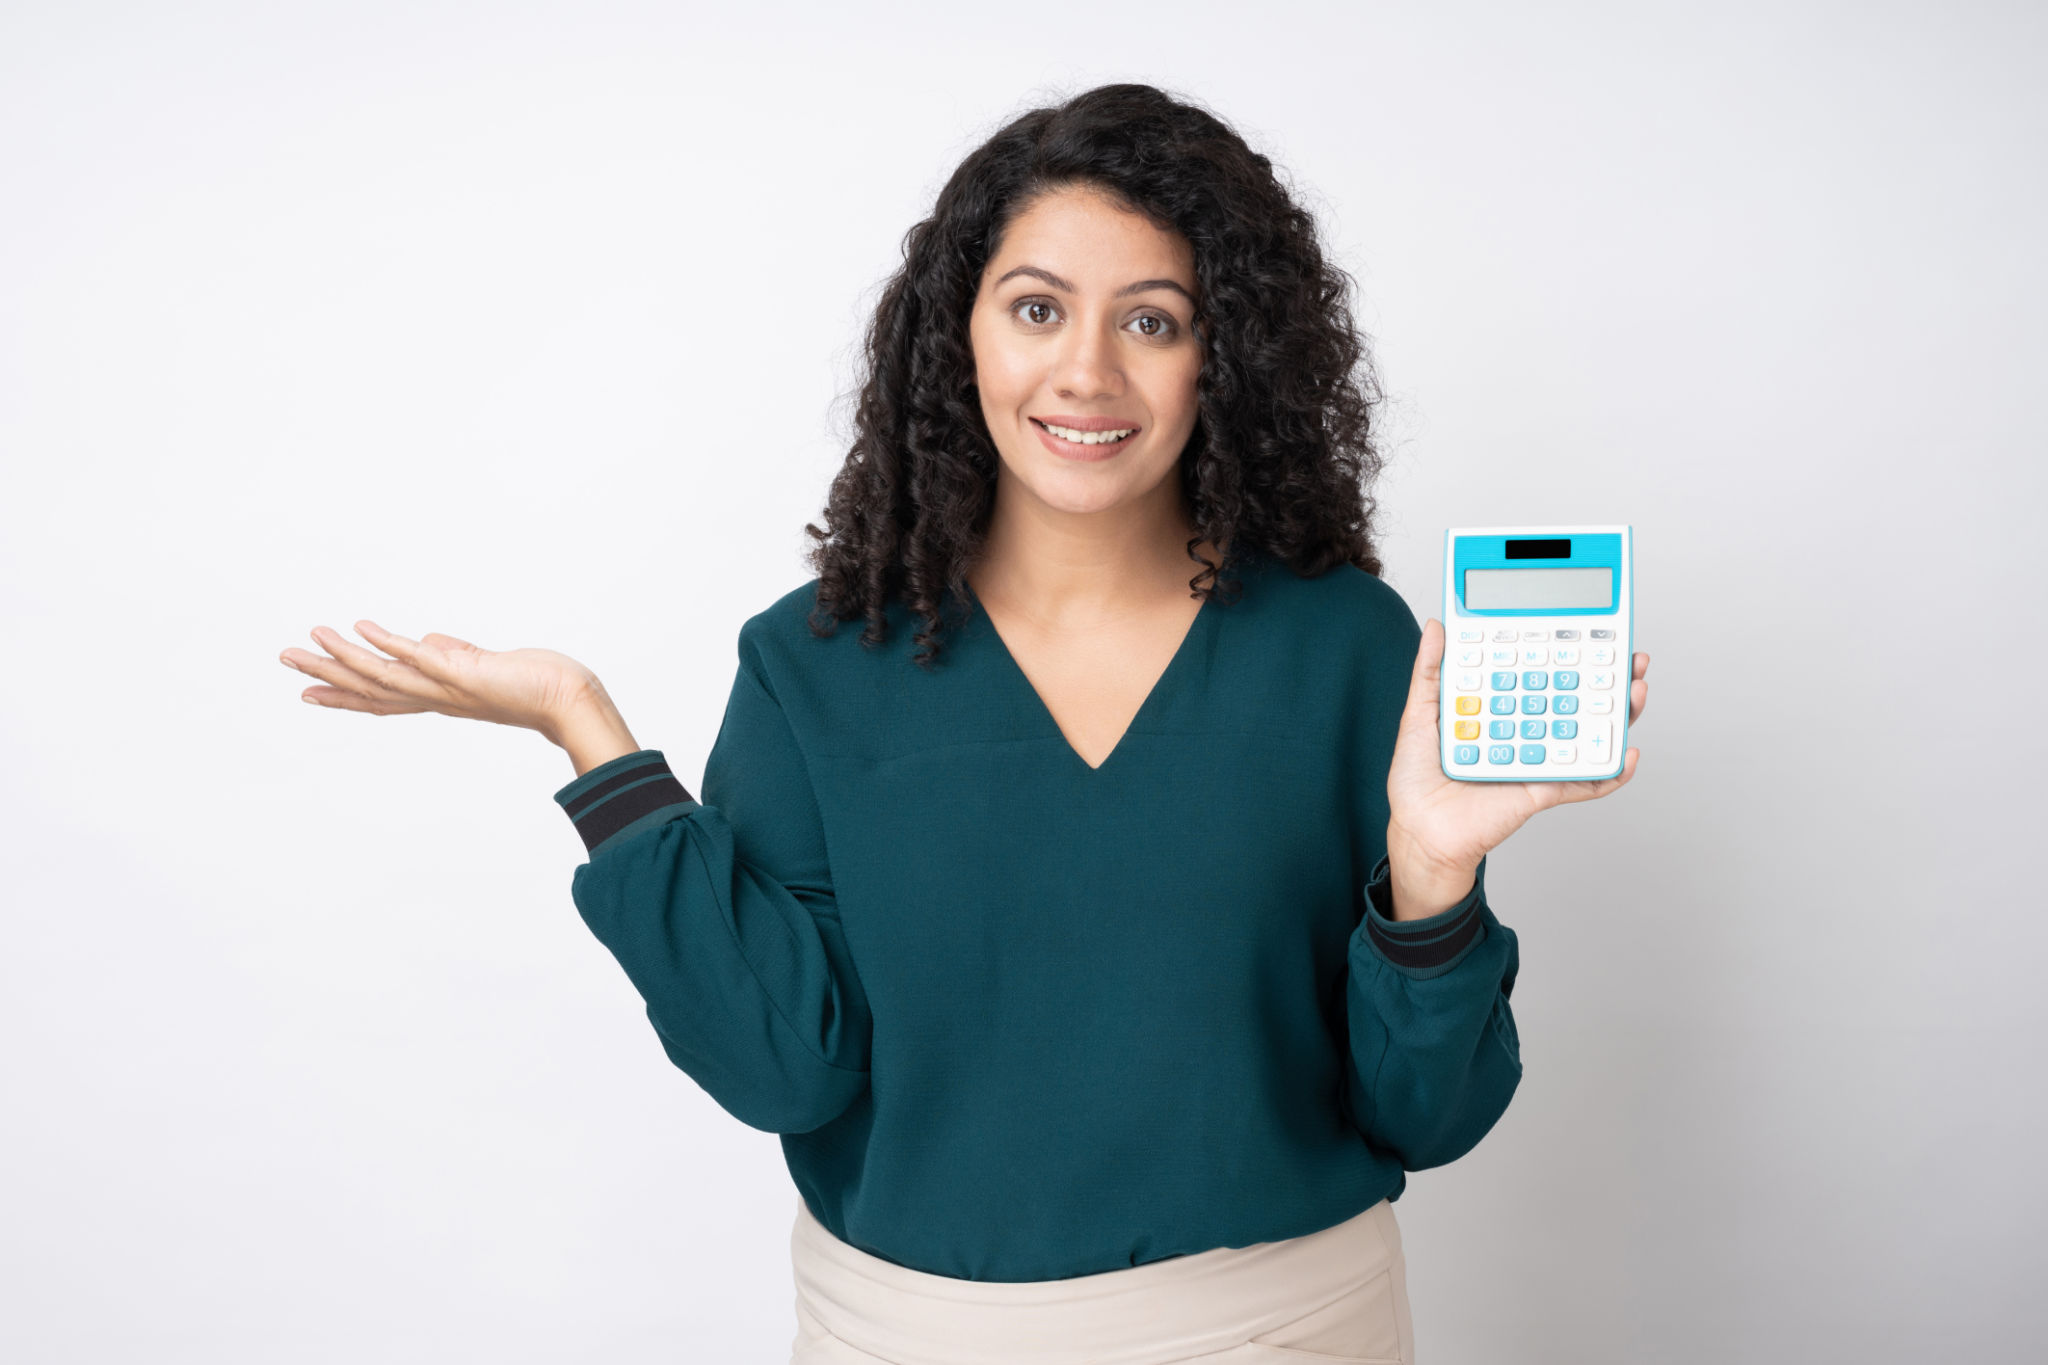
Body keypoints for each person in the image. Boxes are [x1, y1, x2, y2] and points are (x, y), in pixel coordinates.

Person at [278, 82, 1649, 1365]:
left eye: (1154, 320)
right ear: (961, 334)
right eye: (1038, 309)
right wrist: (590, 736)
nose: (1089, 372)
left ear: (1226, 358)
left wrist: (1434, 875)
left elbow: (1432, 1113)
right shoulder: (815, 660)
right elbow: (782, 1066)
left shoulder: (1350, 646)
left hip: (1285, 1333)